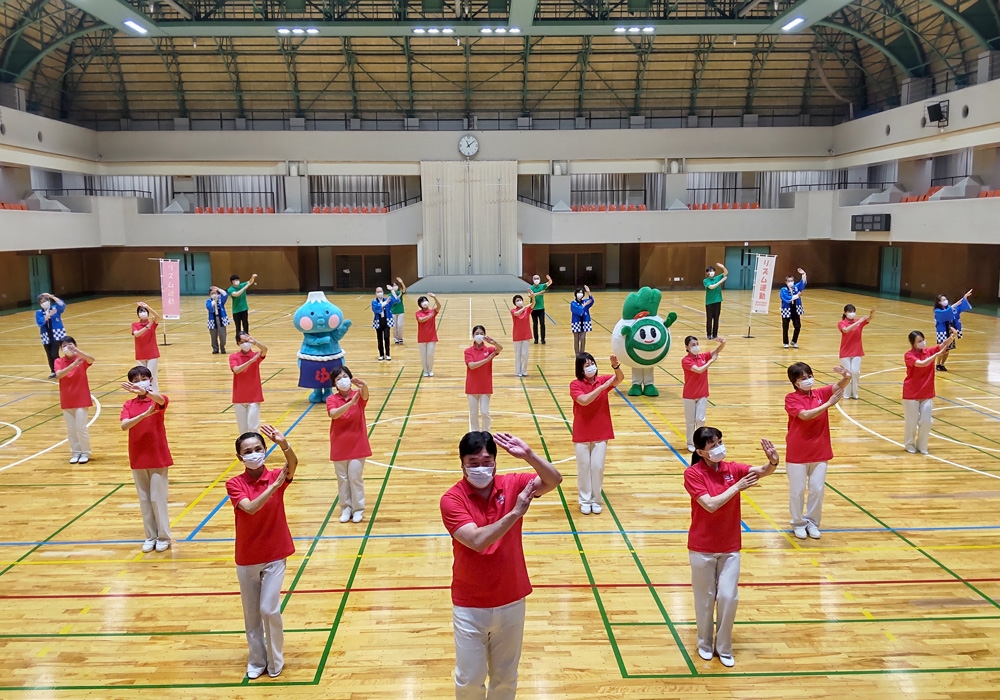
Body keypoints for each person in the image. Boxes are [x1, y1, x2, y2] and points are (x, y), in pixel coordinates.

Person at [440, 431, 563, 700]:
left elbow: (553, 480)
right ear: (462, 463)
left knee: (506, 678)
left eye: (487, 460)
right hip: (469, 603)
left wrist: (529, 455)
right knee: (469, 679)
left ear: (496, 461)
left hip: (511, 598)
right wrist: (516, 512)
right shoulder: (452, 499)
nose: (481, 467)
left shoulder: (513, 483)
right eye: (473, 462)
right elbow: (476, 540)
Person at [685, 427, 779, 668]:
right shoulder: (693, 474)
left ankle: (724, 646)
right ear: (701, 452)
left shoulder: (731, 469)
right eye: (713, 445)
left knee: (728, 596)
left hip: (729, 546)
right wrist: (737, 488)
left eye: (719, 442)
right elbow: (710, 504)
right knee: (705, 599)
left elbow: (760, 471)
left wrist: (772, 463)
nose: (719, 447)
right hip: (702, 547)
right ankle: (705, 643)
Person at [225, 425, 298, 681]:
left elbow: (293, 463)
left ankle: (276, 660)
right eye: (248, 451)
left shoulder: (277, 475)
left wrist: (284, 443)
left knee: (269, 609)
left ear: (265, 450)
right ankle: (257, 660)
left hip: (275, 554)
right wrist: (273, 487)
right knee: (251, 614)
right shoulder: (234, 484)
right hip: (247, 557)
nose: (254, 454)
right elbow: (251, 508)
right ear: (240, 457)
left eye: (258, 449)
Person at [784, 361, 850, 540]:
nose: (808, 380)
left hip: (820, 450)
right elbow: (805, 415)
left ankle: (812, 522)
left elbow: (838, 386)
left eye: (809, 376)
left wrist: (847, 376)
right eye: (803, 378)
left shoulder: (820, 393)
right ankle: (797, 523)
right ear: (795, 382)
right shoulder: (791, 398)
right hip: (797, 453)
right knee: (797, 490)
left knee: (817, 489)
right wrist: (828, 404)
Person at [119, 365, 173, 553]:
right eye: (135, 380)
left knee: (157, 499)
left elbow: (160, 400)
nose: (139, 382)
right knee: (144, 499)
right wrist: (142, 416)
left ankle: (164, 536)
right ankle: (150, 535)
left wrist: (146, 393)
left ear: (150, 380)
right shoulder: (128, 405)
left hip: (157, 456)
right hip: (137, 456)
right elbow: (125, 426)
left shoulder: (158, 400)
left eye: (143, 378)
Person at [570, 353, 624, 515]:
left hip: (601, 431)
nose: (590, 367)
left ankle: (596, 499)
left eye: (592, 363)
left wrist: (616, 366)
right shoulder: (575, 384)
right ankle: (585, 500)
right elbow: (584, 401)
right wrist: (601, 388)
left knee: (597, 467)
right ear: (580, 369)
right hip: (582, 432)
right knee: (584, 467)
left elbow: (619, 378)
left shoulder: (603, 379)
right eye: (586, 365)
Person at [326, 366, 371, 523]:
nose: (342, 380)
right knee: (342, 479)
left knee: (355, 477)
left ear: (350, 378)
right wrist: (350, 403)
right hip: (339, 445)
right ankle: (346, 508)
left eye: (345, 376)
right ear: (335, 384)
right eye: (338, 379)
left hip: (358, 444)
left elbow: (365, 395)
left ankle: (358, 509)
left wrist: (363, 385)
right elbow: (334, 414)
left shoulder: (358, 395)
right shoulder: (331, 399)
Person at [903, 328, 958, 454]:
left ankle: (922, 446)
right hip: (911, 394)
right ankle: (909, 444)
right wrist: (936, 356)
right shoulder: (909, 355)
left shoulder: (928, 351)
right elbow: (921, 364)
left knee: (927, 421)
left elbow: (943, 345)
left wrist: (953, 337)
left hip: (927, 392)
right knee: (911, 422)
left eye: (923, 340)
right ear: (913, 343)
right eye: (919, 341)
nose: (923, 343)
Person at [681, 335, 726, 452]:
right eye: (692, 345)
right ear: (687, 347)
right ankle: (690, 442)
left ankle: (699, 443)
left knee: (700, 419)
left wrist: (722, 343)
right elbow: (699, 370)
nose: (696, 347)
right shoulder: (686, 360)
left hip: (702, 394)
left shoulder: (702, 356)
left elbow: (716, 351)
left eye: (697, 344)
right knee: (690, 421)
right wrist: (711, 362)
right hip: (689, 395)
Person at [53, 336, 94, 465]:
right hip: (67, 399)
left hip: (81, 398)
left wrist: (78, 352)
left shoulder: (81, 359)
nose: (67, 347)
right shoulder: (58, 361)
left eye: (69, 344)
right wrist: (72, 365)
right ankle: (75, 452)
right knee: (71, 429)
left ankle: (85, 452)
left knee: (81, 428)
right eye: (64, 345)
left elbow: (92, 359)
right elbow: (59, 375)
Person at [465, 325, 502, 432]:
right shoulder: (468, 351)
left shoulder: (489, 349)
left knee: (485, 412)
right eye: (477, 333)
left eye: (481, 333)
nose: (479, 335)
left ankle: (486, 433)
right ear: (473, 335)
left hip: (485, 386)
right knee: (473, 413)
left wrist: (494, 342)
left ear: (484, 335)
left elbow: (500, 349)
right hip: (472, 387)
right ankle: (475, 434)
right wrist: (487, 360)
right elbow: (471, 365)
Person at [230, 332, 268, 435]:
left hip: (254, 397)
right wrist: (251, 361)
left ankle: (256, 449)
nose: (245, 344)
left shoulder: (256, 355)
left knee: (253, 427)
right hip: (239, 398)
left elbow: (264, 350)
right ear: (238, 343)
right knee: (243, 430)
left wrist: (255, 342)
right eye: (242, 342)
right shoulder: (234, 356)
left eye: (247, 341)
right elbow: (236, 370)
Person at [838, 305, 874, 400]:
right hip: (845, 352)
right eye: (850, 311)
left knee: (855, 372)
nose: (852, 313)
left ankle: (855, 393)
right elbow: (846, 330)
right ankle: (846, 393)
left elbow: (868, 319)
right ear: (845, 313)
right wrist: (858, 322)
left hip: (857, 351)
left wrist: (871, 314)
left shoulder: (859, 322)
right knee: (848, 374)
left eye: (853, 311)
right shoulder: (842, 323)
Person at [932, 289, 973, 372]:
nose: (945, 301)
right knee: (942, 348)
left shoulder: (950, 307)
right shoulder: (937, 311)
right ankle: (938, 364)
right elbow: (946, 312)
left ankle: (942, 364)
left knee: (948, 349)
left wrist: (964, 297)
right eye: (943, 300)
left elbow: (957, 307)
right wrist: (954, 305)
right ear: (939, 302)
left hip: (951, 331)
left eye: (945, 299)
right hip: (942, 332)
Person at [35, 292, 68, 378]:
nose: (44, 303)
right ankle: (53, 371)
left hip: (57, 334)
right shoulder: (39, 312)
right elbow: (40, 322)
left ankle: (60, 368)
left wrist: (51, 296)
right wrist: (47, 316)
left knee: (54, 353)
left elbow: (62, 305)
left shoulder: (55, 309)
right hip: (46, 336)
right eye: (41, 302)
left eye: (45, 301)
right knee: (49, 354)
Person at [132, 302, 161, 392]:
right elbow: (136, 334)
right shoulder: (135, 325)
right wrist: (148, 326)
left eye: (144, 311)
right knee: (142, 378)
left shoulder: (153, 323)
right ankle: (145, 397)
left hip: (152, 354)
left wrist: (148, 307)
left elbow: (158, 316)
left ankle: (155, 397)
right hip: (140, 355)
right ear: (138, 314)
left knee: (152, 377)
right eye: (140, 311)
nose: (143, 313)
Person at [779, 268, 807, 348]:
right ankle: (785, 342)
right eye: (788, 281)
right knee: (785, 327)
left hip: (795, 309)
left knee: (798, 326)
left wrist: (803, 274)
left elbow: (803, 283)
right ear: (786, 282)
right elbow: (786, 298)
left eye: (792, 281)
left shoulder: (796, 287)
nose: (790, 282)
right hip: (787, 309)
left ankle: (794, 341)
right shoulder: (783, 289)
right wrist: (796, 296)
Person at [416, 293, 442, 377]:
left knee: (430, 355)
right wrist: (430, 316)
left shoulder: (432, 311)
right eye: (422, 301)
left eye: (425, 300)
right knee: (423, 356)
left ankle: (430, 370)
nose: (425, 302)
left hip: (431, 337)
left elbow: (439, 307)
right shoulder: (418, 313)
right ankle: (425, 370)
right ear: (420, 304)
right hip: (422, 338)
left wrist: (434, 297)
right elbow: (421, 320)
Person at [509, 292, 535, 378]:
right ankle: (518, 371)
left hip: (526, 335)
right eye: (517, 300)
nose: (519, 301)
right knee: (518, 354)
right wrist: (524, 307)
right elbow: (516, 314)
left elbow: (533, 304)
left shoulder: (527, 310)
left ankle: (524, 370)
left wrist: (533, 297)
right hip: (517, 335)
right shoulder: (513, 310)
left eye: (520, 300)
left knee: (525, 354)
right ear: (515, 303)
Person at [371, 285, 398, 361]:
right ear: (375, 293)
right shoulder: (374, 301)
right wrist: (384, 303)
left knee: (386, 337)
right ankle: (381, 354)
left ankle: (388, 354)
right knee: (379, 339)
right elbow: (376, 308)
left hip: (387, 322)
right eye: (378, 292)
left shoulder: (387, 300)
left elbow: (396, 300)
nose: (380, 293)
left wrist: (392, 291)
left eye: (381, 291)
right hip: (378, 322)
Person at [703, 263, 728, 340]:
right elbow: (711, 287)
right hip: (709, 303)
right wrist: (721, 282)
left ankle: (715, 334)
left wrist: (723, 267)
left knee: (716, 319)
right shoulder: (705, 280)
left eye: (713, 271)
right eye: (710, 271)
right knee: (709, 319)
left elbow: (726, 273)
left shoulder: (717, 277)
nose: (712, 272)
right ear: (707, 273)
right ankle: (708, 334)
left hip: (718, 301)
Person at [570, 285, 595, 355]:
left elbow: (591, 300)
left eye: (581, 293)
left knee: (583, 338)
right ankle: (577, 353)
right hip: (576, 322)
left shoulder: (585, 301)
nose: (580, 294)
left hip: (585, 322)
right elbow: (578, 310)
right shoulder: (573, 303)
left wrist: (589, 292)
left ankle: (582, 352)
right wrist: (583, 305)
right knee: (576, 338)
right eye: (578, 292)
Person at [528, 273, 553, 344]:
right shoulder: (531, 288)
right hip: (533, 308)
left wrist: (549, 279)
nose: (536, 280)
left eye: (537, 278)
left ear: (539, 279)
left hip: (541, 308)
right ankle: (536, 339)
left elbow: (550, 283)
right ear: (533, 280)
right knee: (535, 324)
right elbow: (530, 296)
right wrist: (540, 293)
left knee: (542, 323)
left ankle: (543, 338)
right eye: (535, 279)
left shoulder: (542, 286)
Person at [206, 285, 230, 354]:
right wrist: (214, 301)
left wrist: (218, 289)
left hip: (221, 319)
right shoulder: (208, 301)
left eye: (215, 293)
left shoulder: (221, 300)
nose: (214, 295)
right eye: (212, 293)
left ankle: (222, 347)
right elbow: (209, 307)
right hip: (212, 320)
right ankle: (215, 349)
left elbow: (225, 294)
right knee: (213, 336)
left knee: (223, 335)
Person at [390, 277, 408, 345]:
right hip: (393, 312)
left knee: (400, 325)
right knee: (394, 326)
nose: (395, 286)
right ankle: (395, 339)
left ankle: (400, 338)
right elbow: (395, 300)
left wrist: (401, 282)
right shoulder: (391, 295)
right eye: (393, 285)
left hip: (400, 311)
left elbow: (404, 290)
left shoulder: (399, 292)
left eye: (396, 285)